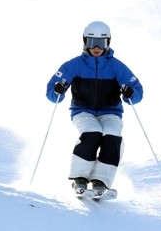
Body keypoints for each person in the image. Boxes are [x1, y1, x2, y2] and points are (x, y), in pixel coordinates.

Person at [46, 20, 143, 195]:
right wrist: (58, 89)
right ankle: (80, 178)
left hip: (111, 112)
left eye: (101, 43)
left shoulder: (116, 66)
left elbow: (137, 91)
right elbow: (52, 93)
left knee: (113, 135)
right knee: (92, 133)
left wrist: (130, 93)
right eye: (92, 43)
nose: (96, 48)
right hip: (83, 111)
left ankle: (100, 180)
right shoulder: (74, 65)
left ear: (108, 43)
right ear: (85, 42)